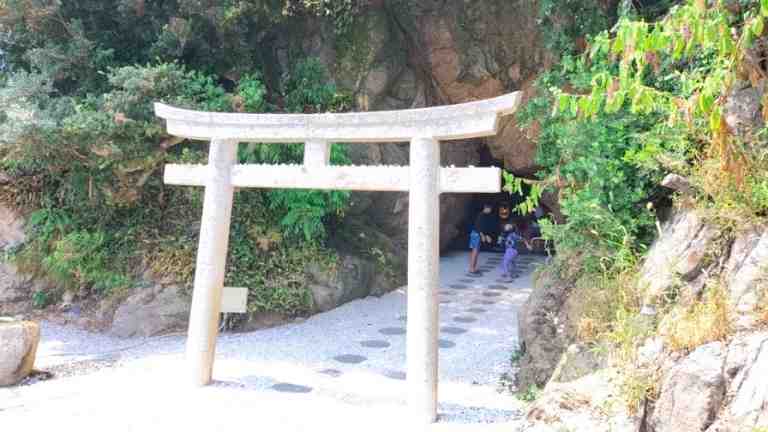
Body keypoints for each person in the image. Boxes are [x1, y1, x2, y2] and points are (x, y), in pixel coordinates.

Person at [468, 203, 496, 274]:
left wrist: (486, 236)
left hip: (478, 234)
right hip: (476, 234)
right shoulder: (481, 215)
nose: (490, 211)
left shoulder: (485, 216)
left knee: (476, 252)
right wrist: (483, 236)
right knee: (475, 252)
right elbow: (478, 227)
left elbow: (483, 228)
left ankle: (473, 267)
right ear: (486, 208)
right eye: (490, 209)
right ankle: (472, 268)